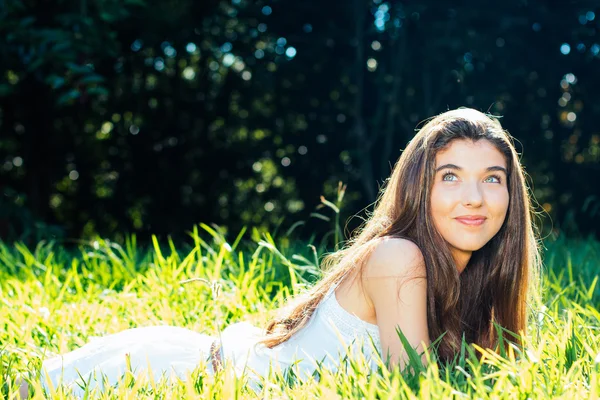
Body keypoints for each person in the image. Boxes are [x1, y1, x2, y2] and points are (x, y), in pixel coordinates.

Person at [19, 107, 541, 397]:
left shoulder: (473, 285)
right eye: (450, 177)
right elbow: (417, 391)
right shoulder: (398, 258)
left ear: (510, 195)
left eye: (492, 179)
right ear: (418, 188)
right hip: (174, 374)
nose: (474, 197)